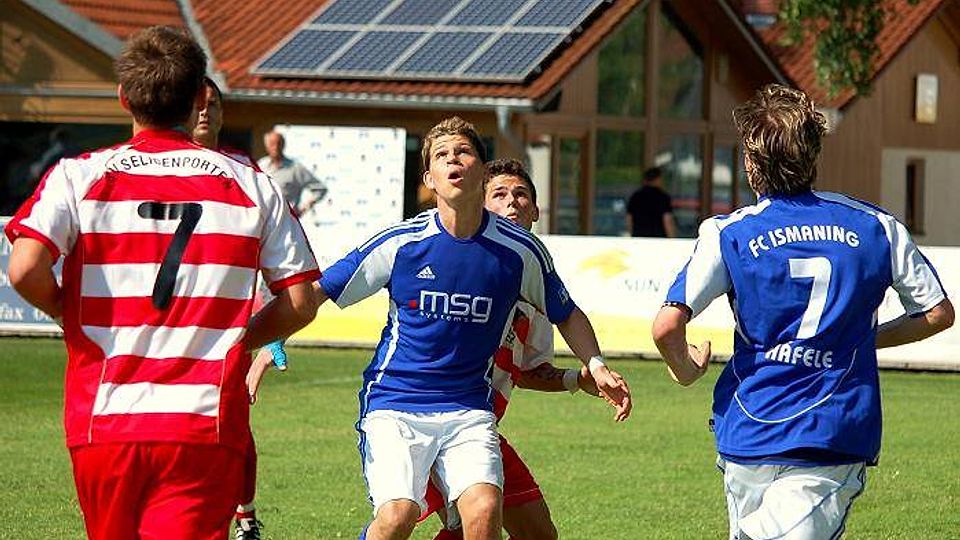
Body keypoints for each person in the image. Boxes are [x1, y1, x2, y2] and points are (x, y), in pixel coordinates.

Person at [5, 26, 320, 540]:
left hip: (104, 419)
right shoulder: (253, 185)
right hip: (202, 423)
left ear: (123, 96)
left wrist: (67, 312)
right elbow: (301, 302)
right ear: (198, 99)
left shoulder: (77, 176)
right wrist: (238, 339)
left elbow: (23, 269)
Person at [248, 117, 631, 540]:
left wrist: (596, 366)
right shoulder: (400, 242)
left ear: (481, 169)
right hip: (395, 404)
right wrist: (271, 341)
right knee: (398, 516)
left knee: (484, 509)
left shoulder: (520, 252)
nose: (453, 159)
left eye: (464, 152)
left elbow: (567, 313)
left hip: (469, 409)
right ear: (429, 179)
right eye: (442, 154)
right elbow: (317, 292)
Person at [652, 84, 954, 540]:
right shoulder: (878, 227)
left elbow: (667, 327)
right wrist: (861, 338)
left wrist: (685, 368)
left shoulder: (728, 233)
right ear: (813, 154)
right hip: (831, 430)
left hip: (748, 427)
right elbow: (937, 312)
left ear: (751, 164)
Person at [418, 158, 629, 540]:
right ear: (480, 206)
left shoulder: (537, 286)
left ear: (535, 211)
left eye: (521, 195)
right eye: (499, 194)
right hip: (429, 419)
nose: (512, 201)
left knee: (538, 534)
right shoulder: (462, 265)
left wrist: (577, 378)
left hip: (480, 428)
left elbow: (529, 371)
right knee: (464, 526)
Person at [189, 75, 268, 540]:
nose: (205, 111)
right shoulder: (150, 168)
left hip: (226, 328)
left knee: (233, 428)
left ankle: (244, 517)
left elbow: (272, 263)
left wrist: (268, 340)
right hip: (167, 328)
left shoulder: (245, 173)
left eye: (213, 104)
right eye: (196, 103)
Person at [257, 130, 327, 216]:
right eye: (272, 144)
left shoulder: (295, 168)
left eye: (279, 144)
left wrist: (303, 209)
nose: (275, 147)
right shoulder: (261, 165)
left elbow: (320, 188)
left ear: (283, 145)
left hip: (286, 219)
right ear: (266, 146)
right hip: (264, 218)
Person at [625, 166, 676, 237]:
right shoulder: (662, 197)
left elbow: (629, 219)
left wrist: (631, 235)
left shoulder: (636, 196)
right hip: (658, 239)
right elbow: (667, 220)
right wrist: (672, 238)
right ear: (658, 179)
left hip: (639, 237)